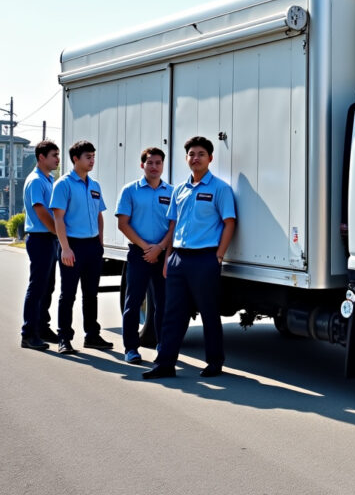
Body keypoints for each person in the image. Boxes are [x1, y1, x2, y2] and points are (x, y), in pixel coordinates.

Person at [142, 136, 236, 380]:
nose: (196, 158)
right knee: (172, 314)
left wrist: (218, 255)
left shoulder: (220, 189)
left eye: (201, 154)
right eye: (191, 154)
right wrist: (168, 258)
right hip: (178, 260)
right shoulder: (179, 190)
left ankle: (214, 362)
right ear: (186, 158)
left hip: (205, 259)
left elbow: (229, 223)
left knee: (208, 313)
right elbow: (174, 225)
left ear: (210, 158)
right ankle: (165, 364)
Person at [49, 140, 113, 354]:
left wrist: (100, 242)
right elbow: (58, 218)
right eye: (88, 157)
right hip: (72, 245)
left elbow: (99, 215)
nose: (92, 160)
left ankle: (92, 335)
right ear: (75, 159)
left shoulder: (94, 185)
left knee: (91, 294)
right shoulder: (63, 184)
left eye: (93, 156)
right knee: (68, 294)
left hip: (92, 246)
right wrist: (65, 248)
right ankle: (64, 338)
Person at [115, 147, 173, 363]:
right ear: (142, 165)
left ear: (163, 165)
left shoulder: (171, 192)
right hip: (139, 254)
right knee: (133, 302)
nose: (154, 167)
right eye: (150, 163)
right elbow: (123, 224)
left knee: (163, 303)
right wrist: (147, 247)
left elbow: (173, 226)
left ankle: (163, 346)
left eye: (158, 163)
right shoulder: (130, 190)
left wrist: (159, 248)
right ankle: (131, 348)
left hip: (163, 254)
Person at [20, 140, 61, 350]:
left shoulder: (48, 178)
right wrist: (58, 231)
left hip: (49, 239)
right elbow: (41, 211)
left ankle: (42, 327)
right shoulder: (36, 180)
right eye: (54, 155)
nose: (58, 159)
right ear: (41, 157)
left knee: (48, 286)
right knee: (37, 287)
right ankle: (28, 334)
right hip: (40, 238)